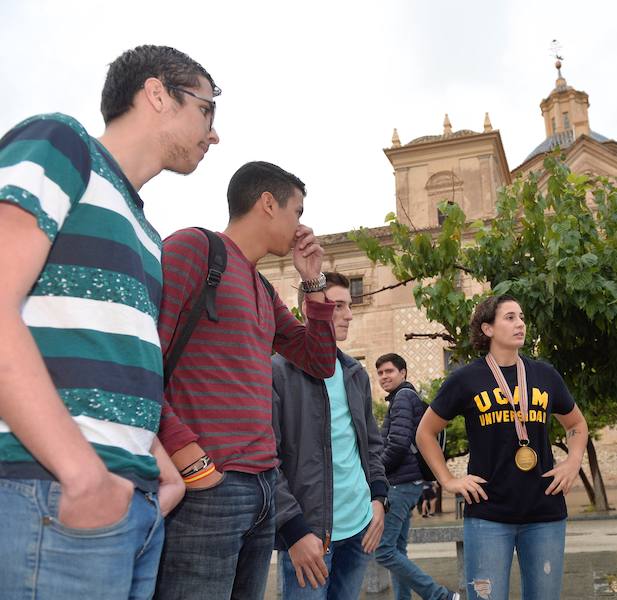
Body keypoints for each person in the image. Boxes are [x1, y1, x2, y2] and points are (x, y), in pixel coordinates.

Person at [0, 44, 218, 598]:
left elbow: (109, 357)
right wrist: (81, 474)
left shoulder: (145, 230)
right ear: (157, 94)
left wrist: (159, 471)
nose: (213, 134)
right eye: (207, 109)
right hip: (53, 494)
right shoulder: (61, 143)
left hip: (134, 509)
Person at [154, 161, 337, 600]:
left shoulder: (261, 287)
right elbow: (140, 360)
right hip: (208, 488)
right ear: (268, 204)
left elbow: (319, 360)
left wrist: (313, 282)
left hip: (262, 490)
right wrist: (188, 456)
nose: (301, 226)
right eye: (297, 211)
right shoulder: (193, 250)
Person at [417, 295, 589, 600]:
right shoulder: (465, 379)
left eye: (521, 316)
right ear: (488, 329)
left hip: (544, 510)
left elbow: (576, 424)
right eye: (509, 317)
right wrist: (448, 480)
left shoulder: (544, 375)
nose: (520, 323)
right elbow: (425, 433)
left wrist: (573, 461)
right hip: (488, 513)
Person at [272, 272, 389, 599]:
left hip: (361, 529)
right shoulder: (277, 372)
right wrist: (293, 531)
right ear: (310, 311)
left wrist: (379, 500)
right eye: (338, 306)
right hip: (309, 536)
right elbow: (268, 460)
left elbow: (372, 446)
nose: (349, 315)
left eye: (349, 306)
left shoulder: (355, 372)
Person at [374, 353, 459, 600]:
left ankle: (440, 596)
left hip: (399, 485)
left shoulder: (402, 398)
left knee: (384, 551)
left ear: (403, 373)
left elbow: (398, 444)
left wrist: (376, 473)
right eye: (380, 373)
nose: (384, 377)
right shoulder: (406, 398)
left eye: (389, 371)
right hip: (410, 483)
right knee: (397, 549)